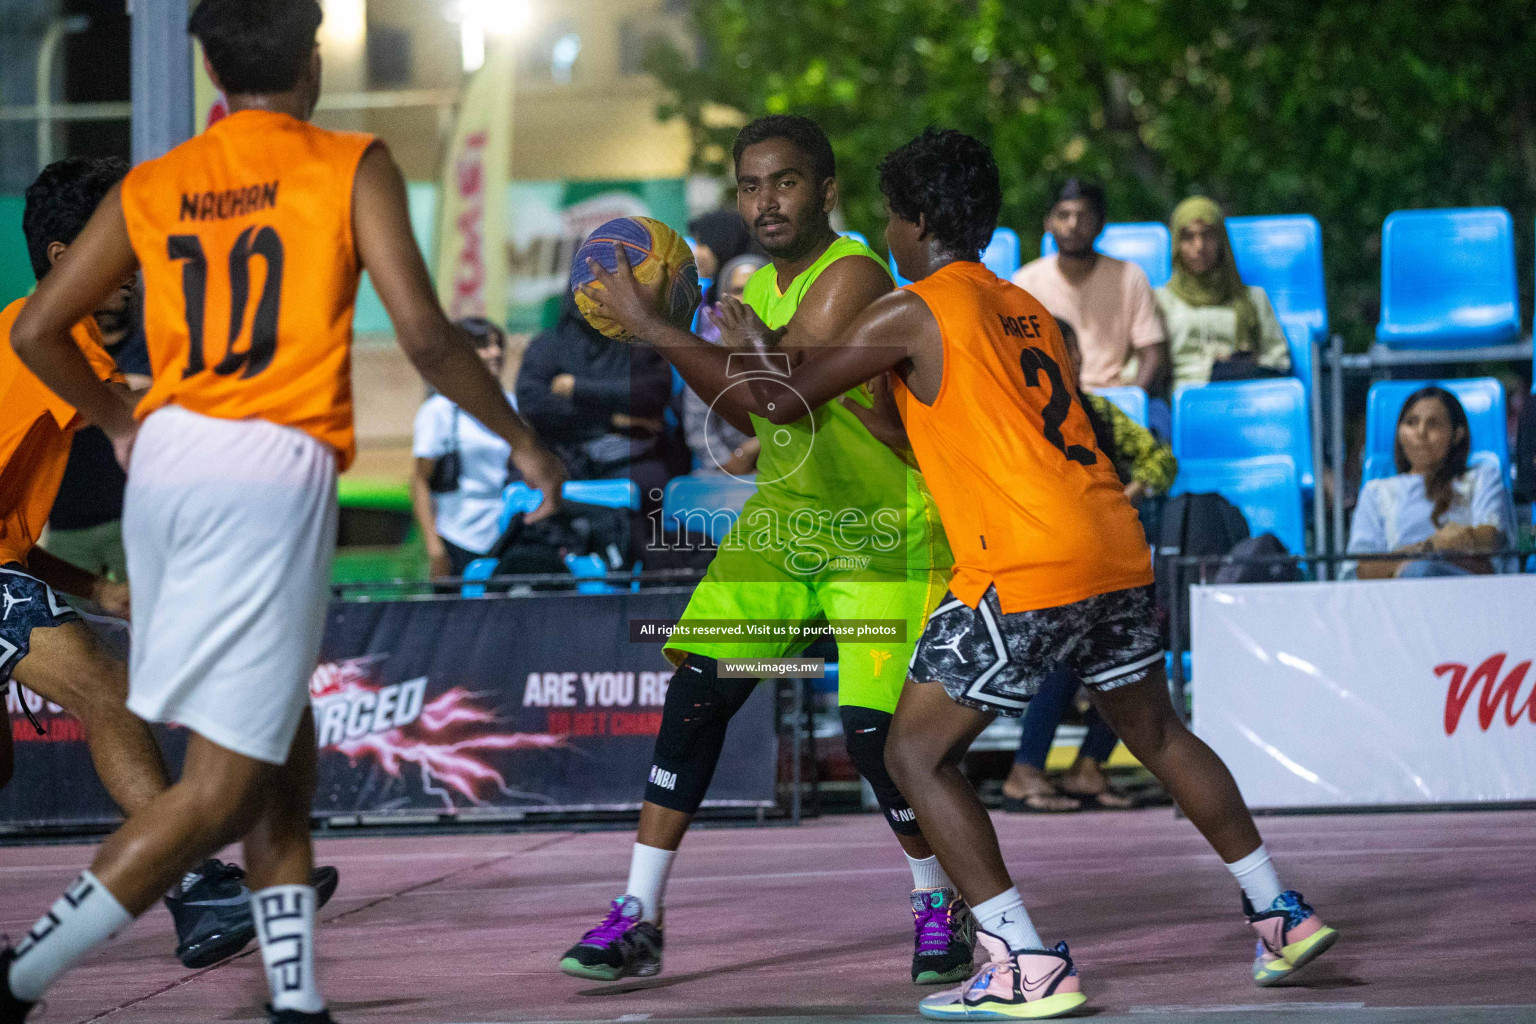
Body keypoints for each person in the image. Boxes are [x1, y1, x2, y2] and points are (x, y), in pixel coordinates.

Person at [1, 3, 564, 1023]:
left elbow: (39, 326)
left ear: (211, 70)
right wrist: (523, 439)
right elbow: (432, 341)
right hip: (268, 469)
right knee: (218, 786)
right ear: (310, 63)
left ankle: (296, 998)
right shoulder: (348, 163)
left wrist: (123, 422)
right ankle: (18, 979)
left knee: (285, 745)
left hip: (174, 466)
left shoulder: (154, 183)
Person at [715, 128, 1337, 1017]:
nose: (886, 235)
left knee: (913, 751)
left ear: (917, 222)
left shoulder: (914, 306)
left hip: (1025, 558)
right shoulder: (1023, 307)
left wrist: (721, 334)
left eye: (891, 218)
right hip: (1112, 541)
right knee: (1158, 735)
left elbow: (777, 401)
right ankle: (1279, 910)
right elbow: (906, 429)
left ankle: (1019, 958)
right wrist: (811, 361)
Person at [566, 114, 970, 988]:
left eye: (784, 182)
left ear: (826, 190)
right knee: (698, 694)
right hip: (785, 521)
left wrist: (659, 329)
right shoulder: (764, 291)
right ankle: (639, 911)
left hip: (880, 530)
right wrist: (682, 334)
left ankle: (939, 900)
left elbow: (769, 401)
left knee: (874, 738)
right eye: (750, 186)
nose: (764, 201)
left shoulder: (853, 272)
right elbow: (744, 402)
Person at [1, 155, 340, 974]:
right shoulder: (42, 338)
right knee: (107, 690)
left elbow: (9, 542)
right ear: (62, 257)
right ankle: (194, 888)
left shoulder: (65, 345)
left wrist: (98, 588)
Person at [1002, 317, 1176, 814]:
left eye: (1072, 351)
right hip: (1047, 563)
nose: (1067, 361)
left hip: (1108, 562)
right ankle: (1025, 771)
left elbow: (1160, 463)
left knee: (1133, 667)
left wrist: (1124, 495)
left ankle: (1088, 769)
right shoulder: (1017, 419)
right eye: (1057, 351)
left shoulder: (1099, 411)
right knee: (1062, 661)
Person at [516, 292, 674, 512]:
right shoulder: (550, 344)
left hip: (631, 460)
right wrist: (611, 418)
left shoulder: (639, 343)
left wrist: (577, 387)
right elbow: (533, 403)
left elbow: (652, 392)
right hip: (564, 458)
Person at [1012, 179, 1166, 394]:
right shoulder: (1025, 282)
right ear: (1048, 223)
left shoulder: (1130, 277)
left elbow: (1152, 354)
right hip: (1052, 402)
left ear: (1101, 224)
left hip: (1116, 398)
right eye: (1063, 215)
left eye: (1083, 216)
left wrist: (1132, 404)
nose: (1073, 225)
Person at [1348, 386, 1513, 579]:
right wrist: (1435, 547)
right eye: (1411, 422)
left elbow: (1489, 540)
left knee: (1422, 571)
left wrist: (1412, 558)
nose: (1420, 432)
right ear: (1399, 432)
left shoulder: (1482, 479)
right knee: (1418, 571)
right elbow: (1363, 569)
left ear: (1457, 434)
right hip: (1397, 596)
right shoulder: (1375, 492)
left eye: (1433, 424)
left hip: (1468, 592)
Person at [410, 317, 520, 579]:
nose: (495, 353)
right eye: (483, 345)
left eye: (498, 345)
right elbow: (420, 481)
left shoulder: (514, 407)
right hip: (456, 537)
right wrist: (435, 549)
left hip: (507, 535)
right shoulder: (439, 411)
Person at [1157, 196, 1290, 391]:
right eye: (1188, 237)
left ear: (1222, 241)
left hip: (1240, 396)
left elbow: (1277, 360)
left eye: (1208, 235)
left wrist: (1242, 364)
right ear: (1177, 244)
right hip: (1180, 398)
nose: (1199, 246)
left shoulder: (1252, 298)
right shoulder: (1159, 300)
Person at [683, 252, 768, 474]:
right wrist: (729, 461)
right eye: (738, 290)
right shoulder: (708, 358)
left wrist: (753, 447)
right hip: (724, 472)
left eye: (757, 287)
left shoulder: (795, 351)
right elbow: (699, 430)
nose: (747, 297)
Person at [687, 208, 756, 301]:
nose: (695, 252)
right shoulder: (711, 294)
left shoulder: (749, 276)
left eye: (700, 244)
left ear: (720, 243)